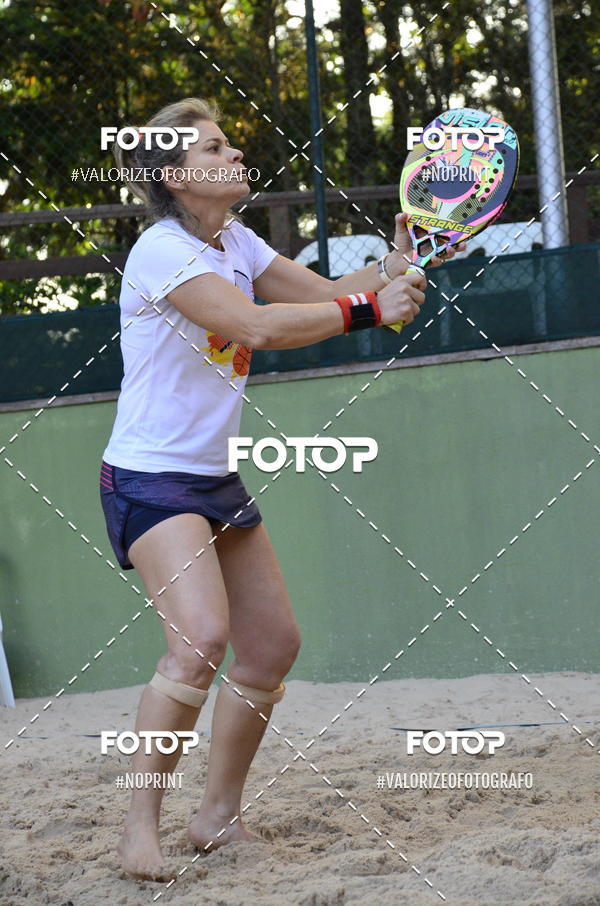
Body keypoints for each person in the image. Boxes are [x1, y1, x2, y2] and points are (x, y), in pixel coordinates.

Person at [99, 96, 459, 881]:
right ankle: (138, 832)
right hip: (149, 478)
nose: (236, 154)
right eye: (218, 147)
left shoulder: (235, 238)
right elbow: (257, 325)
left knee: (271, 648)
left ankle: (217, 820)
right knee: (198, 644)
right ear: (174, 174)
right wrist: (369, 309)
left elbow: (326, 288)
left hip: (213, 477)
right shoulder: (162, 251)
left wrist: (400, 262)